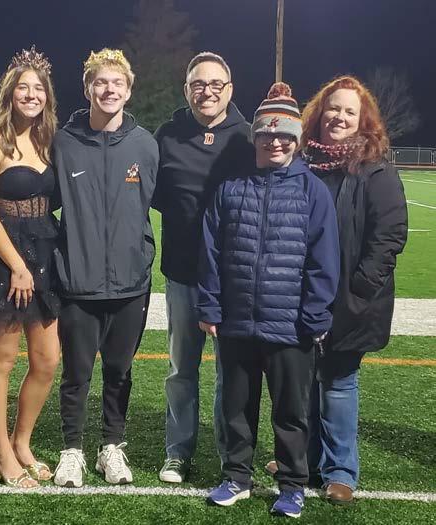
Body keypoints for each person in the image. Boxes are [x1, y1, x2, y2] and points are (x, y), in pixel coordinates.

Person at [198, 83, 340, 518]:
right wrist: (210, 306)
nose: (275, 141)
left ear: (296, 140)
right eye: (266, 133)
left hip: (291, 326)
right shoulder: (230, 188)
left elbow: (324, 259)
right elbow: (211, 252)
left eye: (284, 135)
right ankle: (236, 476)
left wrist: (315, 314)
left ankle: (293, 484)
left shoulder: (312, 191)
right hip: (237, 321)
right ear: (255, 136)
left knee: (291, 411)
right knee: (236, 407)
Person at [265, 76, 408, 505]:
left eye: (349, 111)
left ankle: (340, 470)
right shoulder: (301, 163)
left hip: (351, 300)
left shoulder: (376, 170)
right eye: (333, 108)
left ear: (363, 120)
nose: (340, 117)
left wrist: (357, 290)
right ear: (318, 113)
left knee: (339, 384)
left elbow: (389, 236)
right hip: (300, 296)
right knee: (303, 383)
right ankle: (303, 460)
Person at [51, 48, 158, 488]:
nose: (109, 90)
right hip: (78, 283)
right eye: (101, 82)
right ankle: (72, 449)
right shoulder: (63, 142)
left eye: (117, 83)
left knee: (119, 372)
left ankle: (111, 446)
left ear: (128, 90)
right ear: (87, 89)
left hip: (131, 284)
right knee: (76, 374)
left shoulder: (145, 145)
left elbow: (155, 203)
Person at [153, 51, 254, 483]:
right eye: (198, 84)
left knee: (230, 372)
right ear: (186, 90)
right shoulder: (168, 134)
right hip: (182, 272)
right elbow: (157, 196)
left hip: (235, 276)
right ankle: (178, 451)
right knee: (181, 369)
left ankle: (230, 455)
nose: (206, 92)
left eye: (215, 84)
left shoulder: (247, 138)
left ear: (229, 89)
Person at [0, 47, 61, 489]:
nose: (31, 95)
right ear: (9, 93)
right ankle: (2, 453)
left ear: (47, 96)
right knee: (1, 359)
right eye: (23, 88)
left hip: (44, 251)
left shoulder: (47, 138)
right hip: (5, 257)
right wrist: (16, 266)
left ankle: (22, 442)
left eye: (38, 89)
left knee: (47, 360)